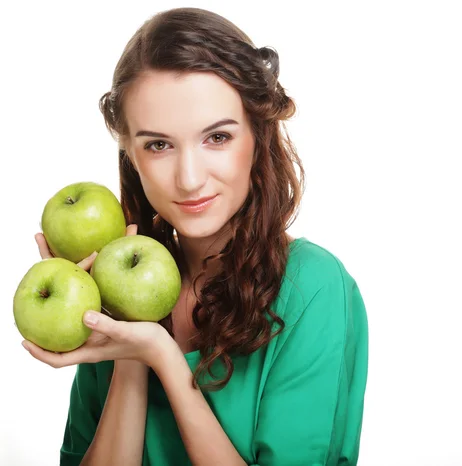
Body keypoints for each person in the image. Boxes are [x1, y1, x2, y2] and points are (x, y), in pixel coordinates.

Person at [23, 6, 369, 466]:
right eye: (158, 145)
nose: (188, 179)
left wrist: (163, 359)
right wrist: (130, 351)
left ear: (257, 135)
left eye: (217, 138)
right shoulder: (108, 292)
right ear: (130, 155)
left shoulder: (313, 288)